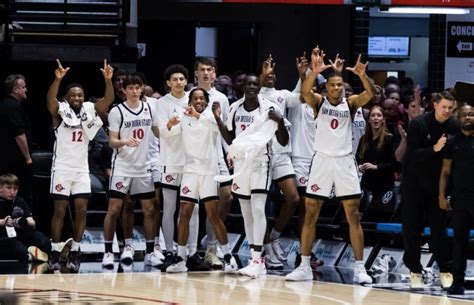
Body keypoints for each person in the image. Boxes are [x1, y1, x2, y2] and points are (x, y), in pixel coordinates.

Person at [285, 48, 374, 284]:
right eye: (333, 85)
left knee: (353, 215)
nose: (337, 88)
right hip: (322, 161)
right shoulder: (318, 102)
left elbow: (370, 94)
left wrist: (362, 76)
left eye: (340, 85)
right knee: (310, 213)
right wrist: (314, 71)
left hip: (345, 162)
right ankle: (304, 265)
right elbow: (305, 92)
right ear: (326, 88)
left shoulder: (351, 103)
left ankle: (359, 268)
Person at [214, 74, 289, 279]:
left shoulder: (269, 108)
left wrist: (280, 122)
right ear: (243, 87)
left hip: (261, 163)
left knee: (258, 208)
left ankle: (258, 259)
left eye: (256, 84)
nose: (253, 87)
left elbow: (283, 140)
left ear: (260, 86)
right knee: (247, 213)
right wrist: (218, 119)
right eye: (249, 84)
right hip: (241, 165)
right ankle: (255, 260)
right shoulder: (235, 108)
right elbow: (231, 138)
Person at [46, 59, 114, 271]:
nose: (77, 97)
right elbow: (50, 100)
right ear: (67, 97)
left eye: (80, 95)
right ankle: (55, 251)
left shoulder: (89, 109)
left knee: (81, 210)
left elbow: (108, 101)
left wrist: (108, 80)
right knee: (59, 211)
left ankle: (76, 250)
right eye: (73, 95)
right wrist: (57, 80)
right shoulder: (60, 112)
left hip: (81, 169)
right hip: (62, 169)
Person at [165, 88, 238, 273]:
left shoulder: (211, 116)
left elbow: (219, 130)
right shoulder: (182, 117)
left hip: (208, 173)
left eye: (201, 98)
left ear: (206, 101)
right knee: (185, 213)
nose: (198, 101)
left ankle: (228, 258)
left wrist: (197, 114)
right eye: (195, 98)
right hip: (190, 171)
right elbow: (169, 135)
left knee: (213, 215)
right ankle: (181, 258)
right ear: (190, 100)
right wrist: (170, 124)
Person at [101, 74, 161, 269]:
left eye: (138, 87)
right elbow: (111, 141)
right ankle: (109, 252)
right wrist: (125, 142)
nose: (135, 91)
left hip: (144, 167)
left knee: (149, 210)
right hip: (123, 166)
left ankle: (151, 252)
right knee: (114, 209)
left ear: (142, 88)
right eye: (131, 88)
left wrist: (170, 129)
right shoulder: (117, 111)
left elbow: (158, 132)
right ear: (124, 90)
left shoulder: (151, 108)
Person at [401, 91, 458, 289]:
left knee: (439, 231)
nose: (447, 111)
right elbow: (410, 158)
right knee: (412, 230)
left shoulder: (454, 126)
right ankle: (415, 271)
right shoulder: (418, 124)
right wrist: (433, 149)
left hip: (437, 186)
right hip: (413, 185)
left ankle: (445, 270)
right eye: (444, 107)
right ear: (435, 105)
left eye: (450, 108)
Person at [257, 54, 301, 268]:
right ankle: (266, 247)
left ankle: (274, 236)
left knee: (293, 198)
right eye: (267, 73)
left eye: (274, 74)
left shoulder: (283, 95)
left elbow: (299, 95)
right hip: (261, 156)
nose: (271, 76)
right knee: (260, 206)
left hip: (282, 154)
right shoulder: (254, 95)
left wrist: (303, 74)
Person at [194, 57, 233, 269]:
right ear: (196, 73)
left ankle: (211, 245)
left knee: (226, 197)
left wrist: (230, 152)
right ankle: (188, 250)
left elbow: (224, 128)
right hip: (194, 157)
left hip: (217, 153)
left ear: (215, 74)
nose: (206, 73)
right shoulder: (190, 97)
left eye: (210, 69)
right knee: (193, 206)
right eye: (202, 70)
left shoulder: (222, 99)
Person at [439, 103, 474, 295]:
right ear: (458, 118)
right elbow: (445, 172)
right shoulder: (452, 142)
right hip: (460, 200)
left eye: (471, 114)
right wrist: (442, 196)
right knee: (458, 242)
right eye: (464, 115)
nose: (468, 118)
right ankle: (457, 283)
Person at [0, 174, 51, 262]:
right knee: (14, 246)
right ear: (0, 188)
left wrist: (23, 222)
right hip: (4, 237)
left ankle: (55, 251)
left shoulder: (20, 201)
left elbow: (32, 223)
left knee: (38, 236)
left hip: (20, 234)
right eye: (9, 188)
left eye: (15, 189)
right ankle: (30, 255)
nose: (12, 192)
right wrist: (3, 222)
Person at [0, 74, 33, 205]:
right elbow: (19, 134)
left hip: (6, 158)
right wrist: (28, 158)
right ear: (15, 89)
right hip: (15, 161)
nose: (26, 90)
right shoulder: (13, 107)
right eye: (24, 87)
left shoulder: (4, 104)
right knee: (19, 192)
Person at [356, 105, 396, 199]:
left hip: (384, 185)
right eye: (373, 115)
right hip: (366, 185)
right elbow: (358, 159)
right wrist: (360, 166)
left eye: (379, 115)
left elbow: (393, 164)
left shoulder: (389, 139)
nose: (376, 118)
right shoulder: (363, 139)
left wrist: (376, 167)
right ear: (369, 120)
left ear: (383, 119)